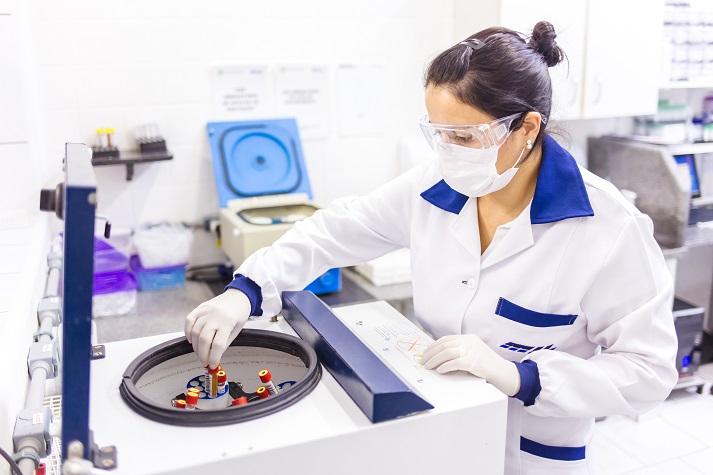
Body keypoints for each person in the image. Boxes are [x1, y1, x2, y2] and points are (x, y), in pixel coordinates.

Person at [185, 21, 678, 474]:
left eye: (464, 136)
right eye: (438, 134)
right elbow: (336, 229)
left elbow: (649, 371)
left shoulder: (607, 228)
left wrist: (521, 376)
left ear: (527, 128)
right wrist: (248, 290)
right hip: (438, 430)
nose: (448, 153)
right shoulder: (435, 187)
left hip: (531, 453)